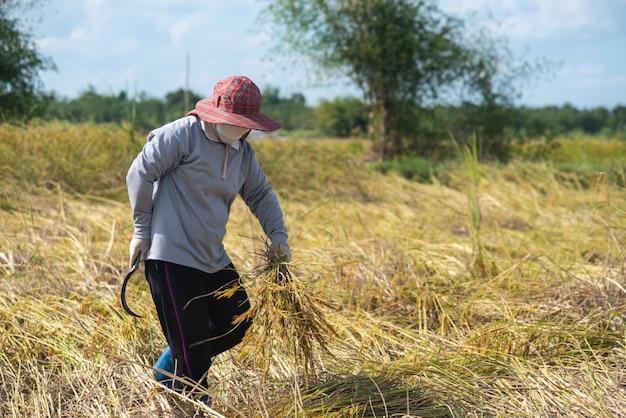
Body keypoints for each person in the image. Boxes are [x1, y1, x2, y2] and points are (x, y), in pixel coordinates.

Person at [126, 75, 291, 394]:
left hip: (212, 257)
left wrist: (278, 236)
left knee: (239, 322)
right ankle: (187, 398)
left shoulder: (242, 152)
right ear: (218, 115)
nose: (245, 129)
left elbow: (261, 194)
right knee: (194, 355)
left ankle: (167, 370)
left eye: (248, 124)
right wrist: (142, 230)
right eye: (239, 121)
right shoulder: (181, 135)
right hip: (171, 257)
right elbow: (140, 173)